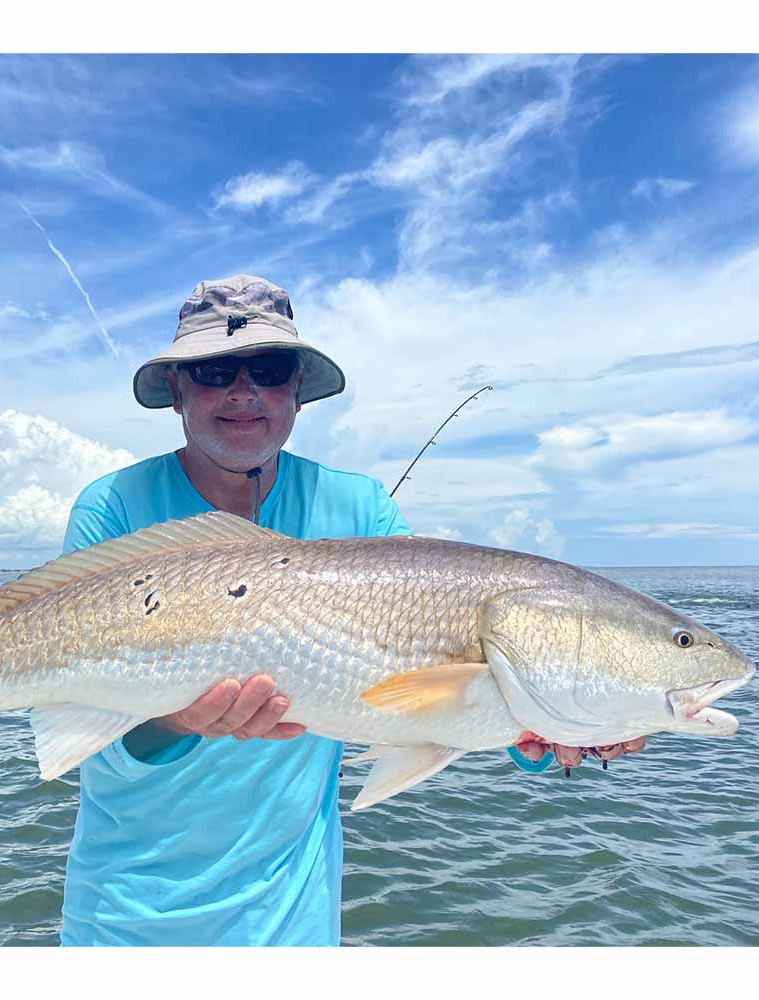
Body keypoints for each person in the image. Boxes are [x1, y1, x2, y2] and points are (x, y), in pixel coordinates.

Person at [57, 274, 644, 947]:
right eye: (216, 369)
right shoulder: (114, 508)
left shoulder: (361, 508)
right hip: (125, 916)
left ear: (297, 392)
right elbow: (92, 727)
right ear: (178, 391)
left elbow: (438, 682)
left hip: (294, 919)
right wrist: (178, 719)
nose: (244, 391)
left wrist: (553, 724)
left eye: (270, 368)